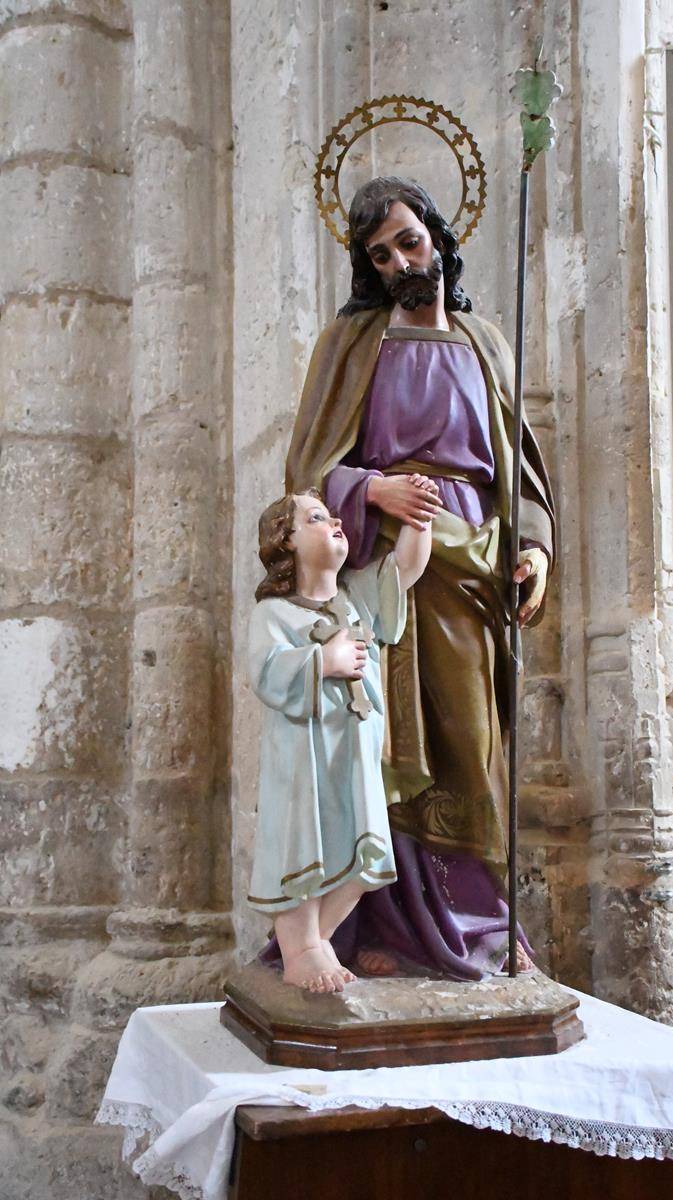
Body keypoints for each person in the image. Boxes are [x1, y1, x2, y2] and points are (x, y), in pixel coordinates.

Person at [285, 177, 557, 981]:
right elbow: (306, 472)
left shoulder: (485, 341)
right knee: (386, 750)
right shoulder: (350, 345)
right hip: (390, 570)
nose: (401, 262)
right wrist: (372, 490)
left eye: (409, 241)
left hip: (474, 572)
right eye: (381, 255)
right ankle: (389, 932)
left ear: (437, 236)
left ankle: (479, 926)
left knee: (473, 747)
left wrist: (534, 549)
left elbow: (520, 469)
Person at [247, 486, 433, 992]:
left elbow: (405, 569)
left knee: (364, 851)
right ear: (286, 541)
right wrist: (322, 661)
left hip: (356, 754)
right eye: (315, 518)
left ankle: (317, 939)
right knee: (302, 845)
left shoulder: (356, 599)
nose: (335, 523)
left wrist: (420, 518)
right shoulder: (274, 613)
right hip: (303, 757)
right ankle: (301, 950)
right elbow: (264, 672)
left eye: (333, 517)